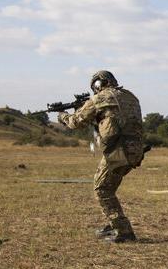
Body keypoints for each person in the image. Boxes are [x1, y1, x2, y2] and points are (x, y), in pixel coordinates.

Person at [58, 70, 144, 243]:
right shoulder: (131, 97)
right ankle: (114, 224)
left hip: (118, 151)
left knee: (102, 189)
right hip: (136, 150)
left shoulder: (99, 99)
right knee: (108, 188)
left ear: (98, 84)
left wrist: (63, 116)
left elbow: (76, 122)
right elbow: (113, 119)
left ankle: (123, 231)